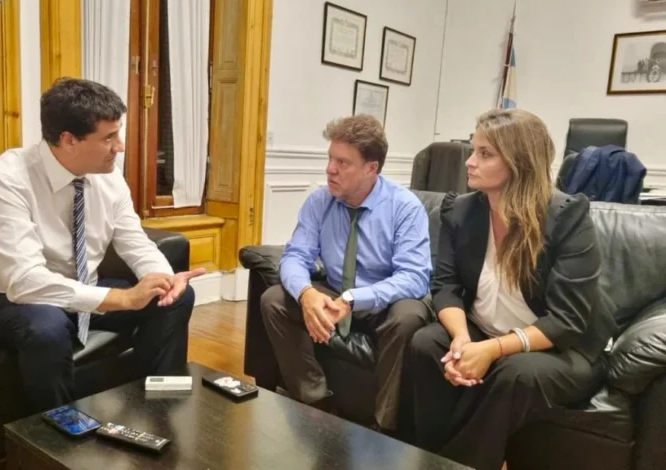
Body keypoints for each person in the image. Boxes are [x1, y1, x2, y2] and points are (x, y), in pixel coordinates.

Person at [0, 78, 204, 412]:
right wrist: (123, 298)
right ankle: (59, 430)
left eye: (118, 133)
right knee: (47, 327)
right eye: (108, 137)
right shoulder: (7, 178)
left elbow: (134, 241)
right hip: (3, 296)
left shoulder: (109, 176)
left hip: (78, 288)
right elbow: (25, 281)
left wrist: (163, 278)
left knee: (174, 298)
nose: (120, 146)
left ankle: (158, 406)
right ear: (69, 140)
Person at [402, 109, 617, 470]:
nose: (469, 161)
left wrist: (492, 349)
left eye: (485, 153)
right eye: (473, 149)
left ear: (520, 161)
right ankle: (441, 459)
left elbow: (568, 320)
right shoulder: (460, 211)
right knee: (427, 345)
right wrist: (462, 340)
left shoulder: (567, 217)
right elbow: (446, 285)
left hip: (562, 347)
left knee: (515, 373)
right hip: (484, 329)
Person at [261, 114, 433, 433]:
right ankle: (315, 403)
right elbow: (295, 255)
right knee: (274, 300)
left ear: (371, 168)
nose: (330, 169)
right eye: (330, 158)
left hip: (384, 301)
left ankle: (384, 426)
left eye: (343, 162)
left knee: (408, 317)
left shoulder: (404, 207)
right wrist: (307, 294)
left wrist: (355, 299)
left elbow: (414, 277)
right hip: (336, 293)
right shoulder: (320, 201)